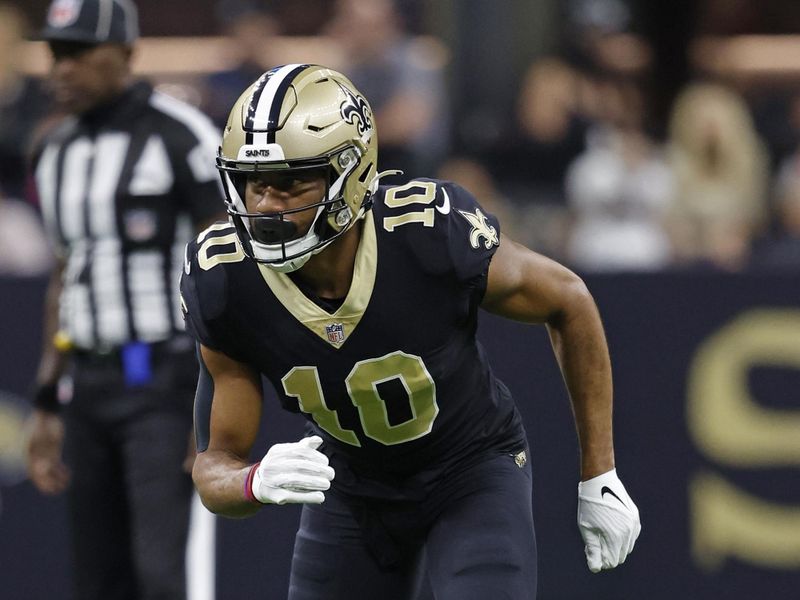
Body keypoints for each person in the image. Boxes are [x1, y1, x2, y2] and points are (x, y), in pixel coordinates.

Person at [182, 64, 641, 599]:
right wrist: (252, 481)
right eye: (252, 183)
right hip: (349, 488)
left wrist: (599, 474)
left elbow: (567, 298)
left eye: (290, 182)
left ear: (351, 174)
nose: (265, 206)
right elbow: (214, 467)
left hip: (468, 471)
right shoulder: (224, 278)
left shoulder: (424, 234)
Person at [25, 1, 224, 599]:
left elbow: (229, 269)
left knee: (161, 574)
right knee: (97, 578)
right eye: (57, 52)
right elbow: (65, 275)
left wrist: (211, 398)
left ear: (129, 54)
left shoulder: (181, 134)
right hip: (88, 378)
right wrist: (47, 401)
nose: (64, 68)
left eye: (81, 52)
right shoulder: (54, 150)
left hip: (160, 377)